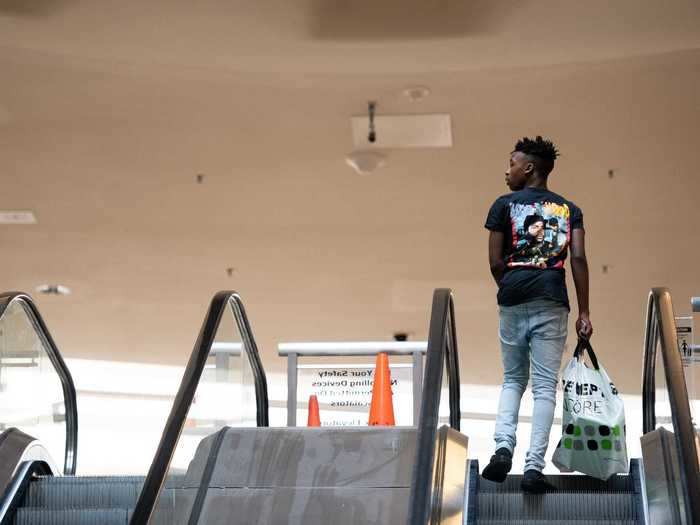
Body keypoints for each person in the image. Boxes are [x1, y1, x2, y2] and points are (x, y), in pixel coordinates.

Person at [482, 136, 593, 494]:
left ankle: (502, 448)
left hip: (513, 296)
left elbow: (495, 261)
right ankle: (533, 468)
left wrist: (510, 285)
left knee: (513, 378)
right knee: (545, 387)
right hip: (551, 296)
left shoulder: (503, 205)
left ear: (528, 167)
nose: (507, 169)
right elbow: (577, 258)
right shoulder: (569, 209)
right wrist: (585, 310)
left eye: (512, 162)